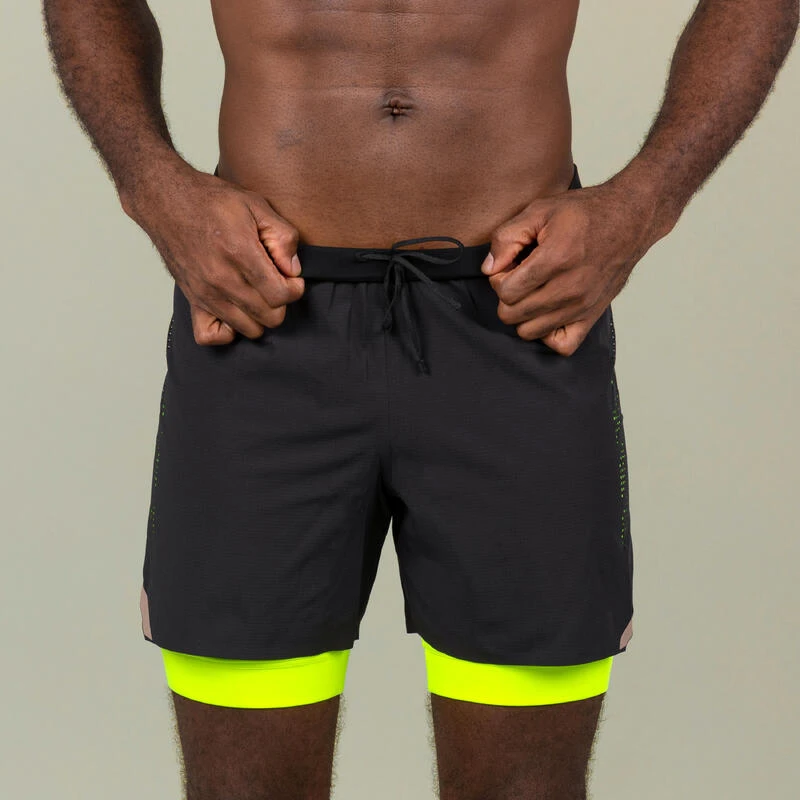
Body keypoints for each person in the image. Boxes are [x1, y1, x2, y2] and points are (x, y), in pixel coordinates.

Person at [43, 1, 797, 798]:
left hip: (517, 315)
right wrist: (153, 187)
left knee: (525, 791)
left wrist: (643, 204)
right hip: (262, 312)